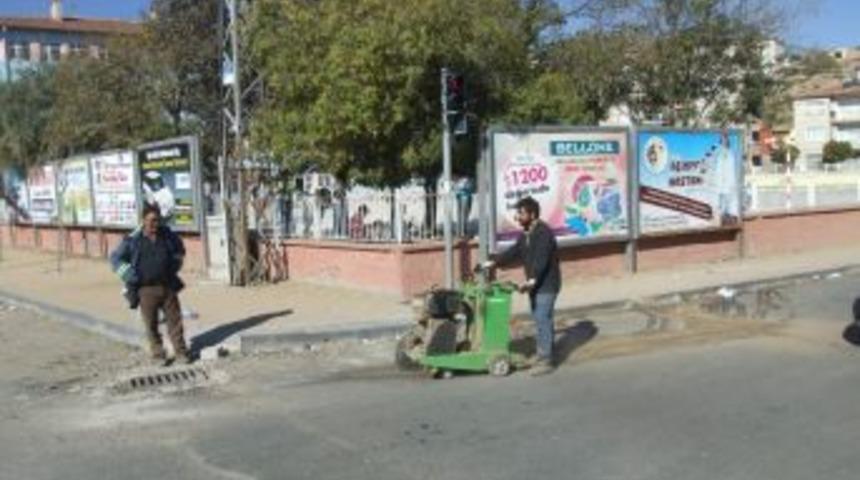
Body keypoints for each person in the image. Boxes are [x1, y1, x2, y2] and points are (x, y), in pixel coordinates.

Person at [484, 196, 561, 376]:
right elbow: (513, 253)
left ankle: (546, 360)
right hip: (535, 284)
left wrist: (532, 279)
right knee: (540, 319)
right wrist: (492, 263)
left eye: (521, 213)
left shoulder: (543, 233)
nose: (517, 217)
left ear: (532, 215)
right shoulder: (526, 234)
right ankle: (544, 353)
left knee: (542, 318)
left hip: (547, 284)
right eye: (517, 213)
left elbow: (541, 260)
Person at [110, 204, 191, 365]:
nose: (155, 224)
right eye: (151, 221)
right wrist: (129, 276)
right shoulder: (133, 240)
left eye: (157, 220)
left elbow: (180, 250)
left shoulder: (167, 236)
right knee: (151, 325)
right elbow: (115, 259)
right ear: (143, 221)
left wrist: (175, 265)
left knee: (175, 322)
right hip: (146, 290)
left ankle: (181, 352)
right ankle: (158, 355)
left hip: (167, 286)